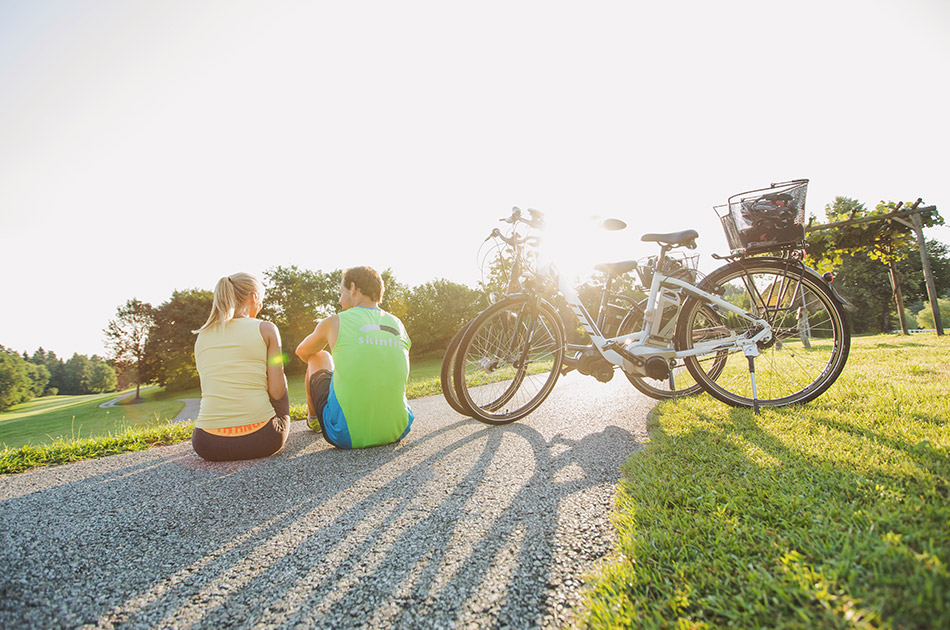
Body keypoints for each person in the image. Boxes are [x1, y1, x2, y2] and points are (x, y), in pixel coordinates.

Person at [296, 266, 413, 449]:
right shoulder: (398, 323)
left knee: (318, 356)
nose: (339, 299)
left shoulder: (334, 322)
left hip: (346, 435)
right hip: (398, 429)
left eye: (341, 292)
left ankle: (314, 420)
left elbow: (302, 352)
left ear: (353, 288)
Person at [191, 272, 290, 461]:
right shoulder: (267, 329)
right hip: (262, 439)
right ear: (254, 297)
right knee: (280, 377)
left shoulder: (201, 336)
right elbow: (277, 393)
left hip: (207, 443)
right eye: (260, 300)